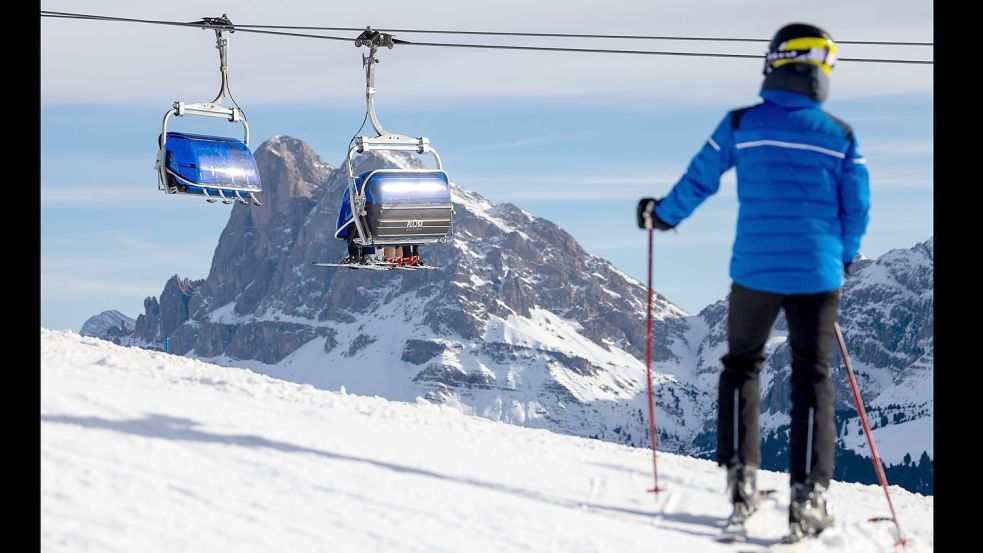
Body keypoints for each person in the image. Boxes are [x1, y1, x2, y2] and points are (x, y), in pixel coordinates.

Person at [636, 23, 870, 542]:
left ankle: (740, 486)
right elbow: (857, 208)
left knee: (741, 366)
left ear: (774, 63)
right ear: (819, 72)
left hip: (755, 272)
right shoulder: (839, 135)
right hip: (816, 273)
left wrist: (663, 216)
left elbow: (700, 177)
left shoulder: (742, 123)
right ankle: (807, 499)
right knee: (812, 378)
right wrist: (845, 258)